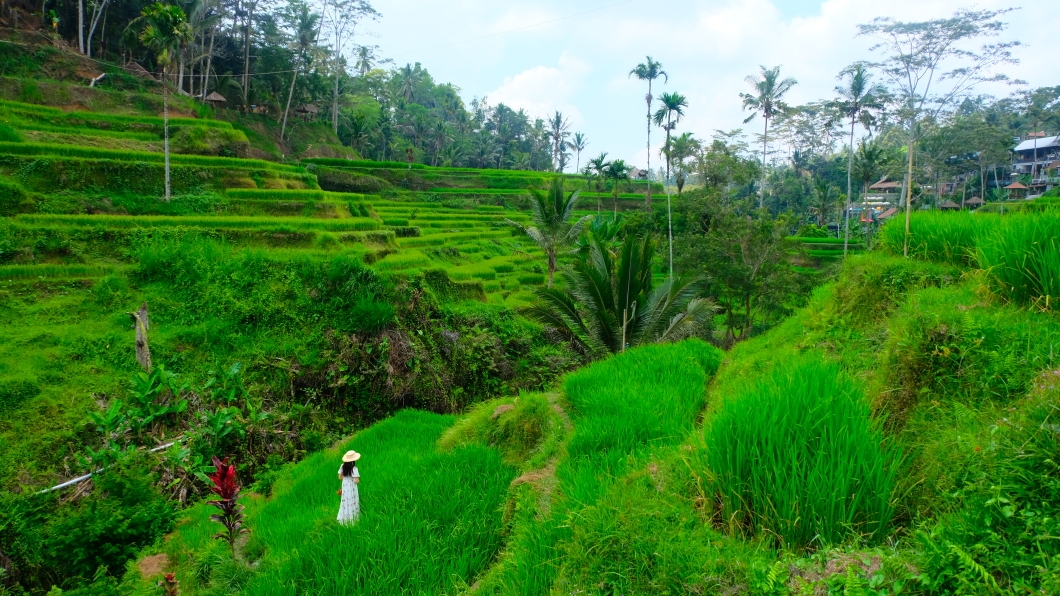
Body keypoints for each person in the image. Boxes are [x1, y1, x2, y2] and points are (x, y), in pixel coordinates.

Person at [337, 450, 360, 525]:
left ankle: (344, 518)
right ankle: (353, 519)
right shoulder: (354, 468)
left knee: (345, 501)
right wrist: (353, 479)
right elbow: (356, 481)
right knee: (353, 500)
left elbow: (340, 477)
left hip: (345, 485)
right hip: (352, 486)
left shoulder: (342, 466)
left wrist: (346, 478)